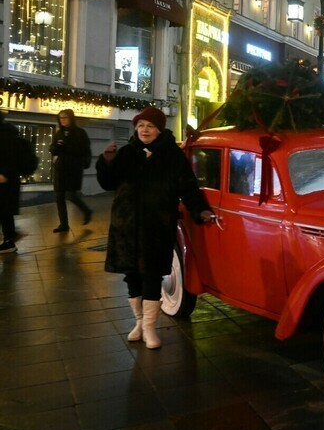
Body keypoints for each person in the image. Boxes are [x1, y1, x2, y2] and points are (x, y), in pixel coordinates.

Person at [96, 107, 213, 349]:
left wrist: (199, 209)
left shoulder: (172, 155)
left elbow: (188, 186)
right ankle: (139, 323)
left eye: (150, 126)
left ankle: (150, 328)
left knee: (151, 275)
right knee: (132, 276)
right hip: (126, 225)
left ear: (159, 129)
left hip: (156, 225)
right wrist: (106, 161)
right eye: (141, 126)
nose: (144, 130)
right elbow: (108, 183)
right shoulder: (127, 152)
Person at [50, 109, 93, 232]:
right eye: (61, 118)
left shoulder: (80, 133)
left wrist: (66, 146)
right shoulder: (59, 133)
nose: (63, 120)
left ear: (71, 118)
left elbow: (84, 150)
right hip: (61, 168)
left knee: (71, 195)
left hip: (73, 168)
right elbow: (53, 149)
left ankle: (87, 211)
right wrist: (55, 147)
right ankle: (63, 224)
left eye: (65, 117)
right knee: (59, 197)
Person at [0, 113, 23, 253]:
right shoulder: (8, 133)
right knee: (4, 211)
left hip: (5, 180)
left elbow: (9, 157)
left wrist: (4, 174)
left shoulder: (4, 135)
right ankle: (10, 238)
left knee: (4, 211)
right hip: (8, 179)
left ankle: (9, 240)